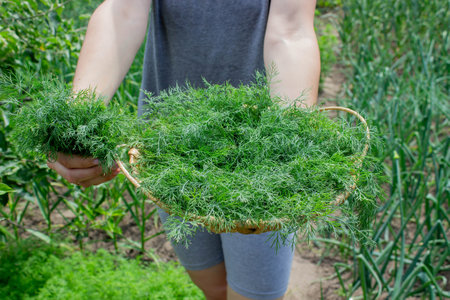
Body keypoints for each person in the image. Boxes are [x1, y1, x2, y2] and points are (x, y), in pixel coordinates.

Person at [47, 1, 320, 299]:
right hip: (168, 147)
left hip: (260, 155)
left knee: (253, 293)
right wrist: (78, 122)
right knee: (212, 282)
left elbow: (290, 29)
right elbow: (121, 12)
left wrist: (289, 144)